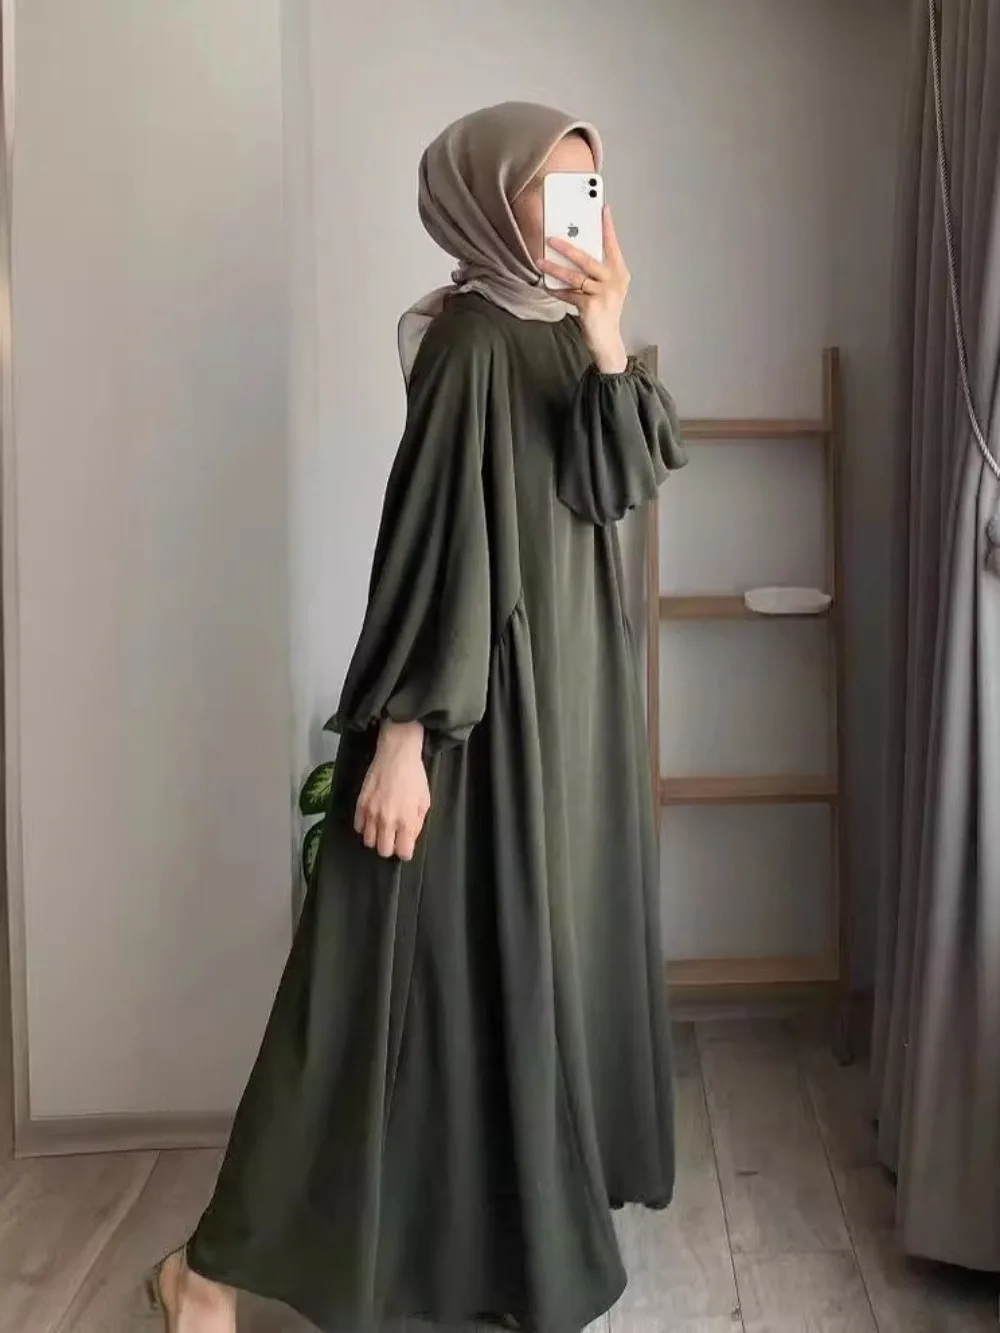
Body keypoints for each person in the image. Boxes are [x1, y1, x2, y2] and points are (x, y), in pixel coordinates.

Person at [148, 100, 686, 1333]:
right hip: (473, 716)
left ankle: (491, 1257)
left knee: (512, 979)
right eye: (551, 191)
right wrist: (402, 737)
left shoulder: (567, 336)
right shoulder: (468, 344)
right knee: (362, 983)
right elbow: (432, 546)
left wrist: (608, 335)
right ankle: (205, 1270)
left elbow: (619, 485)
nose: (578, 216)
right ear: (488, 203)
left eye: (590, 190)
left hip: (572, 713)